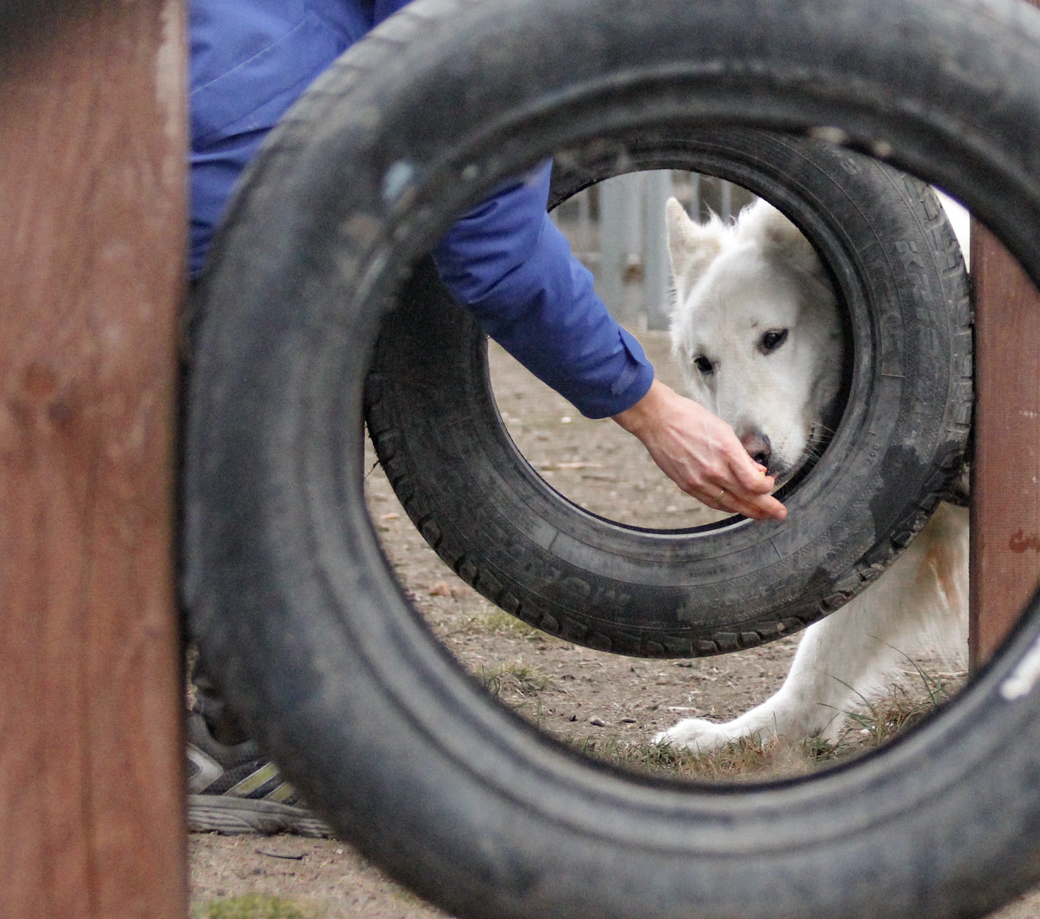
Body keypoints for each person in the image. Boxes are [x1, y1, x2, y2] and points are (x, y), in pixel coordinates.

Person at [184, 0, 785, 836]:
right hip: (221, 190)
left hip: (134, 122)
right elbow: (492, 244)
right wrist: (651, 408)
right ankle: (242, 738)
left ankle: (179, 697)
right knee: (300, 338)